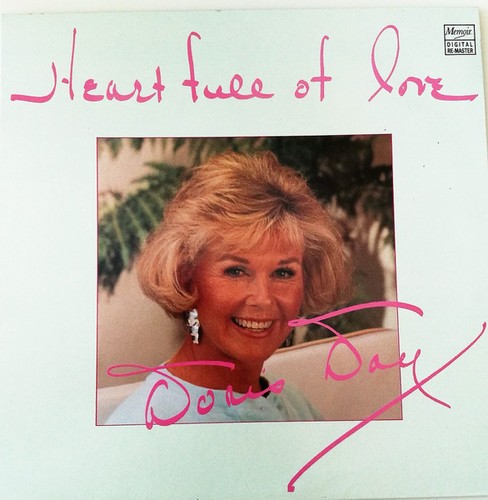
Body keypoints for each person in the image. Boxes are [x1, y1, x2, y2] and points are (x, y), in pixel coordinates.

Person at [106, 151, 350, 425]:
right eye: (236, 271)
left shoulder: (295, 405)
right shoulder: (147, 423)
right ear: (186, 278)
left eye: (283, 273)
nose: (263, 298)